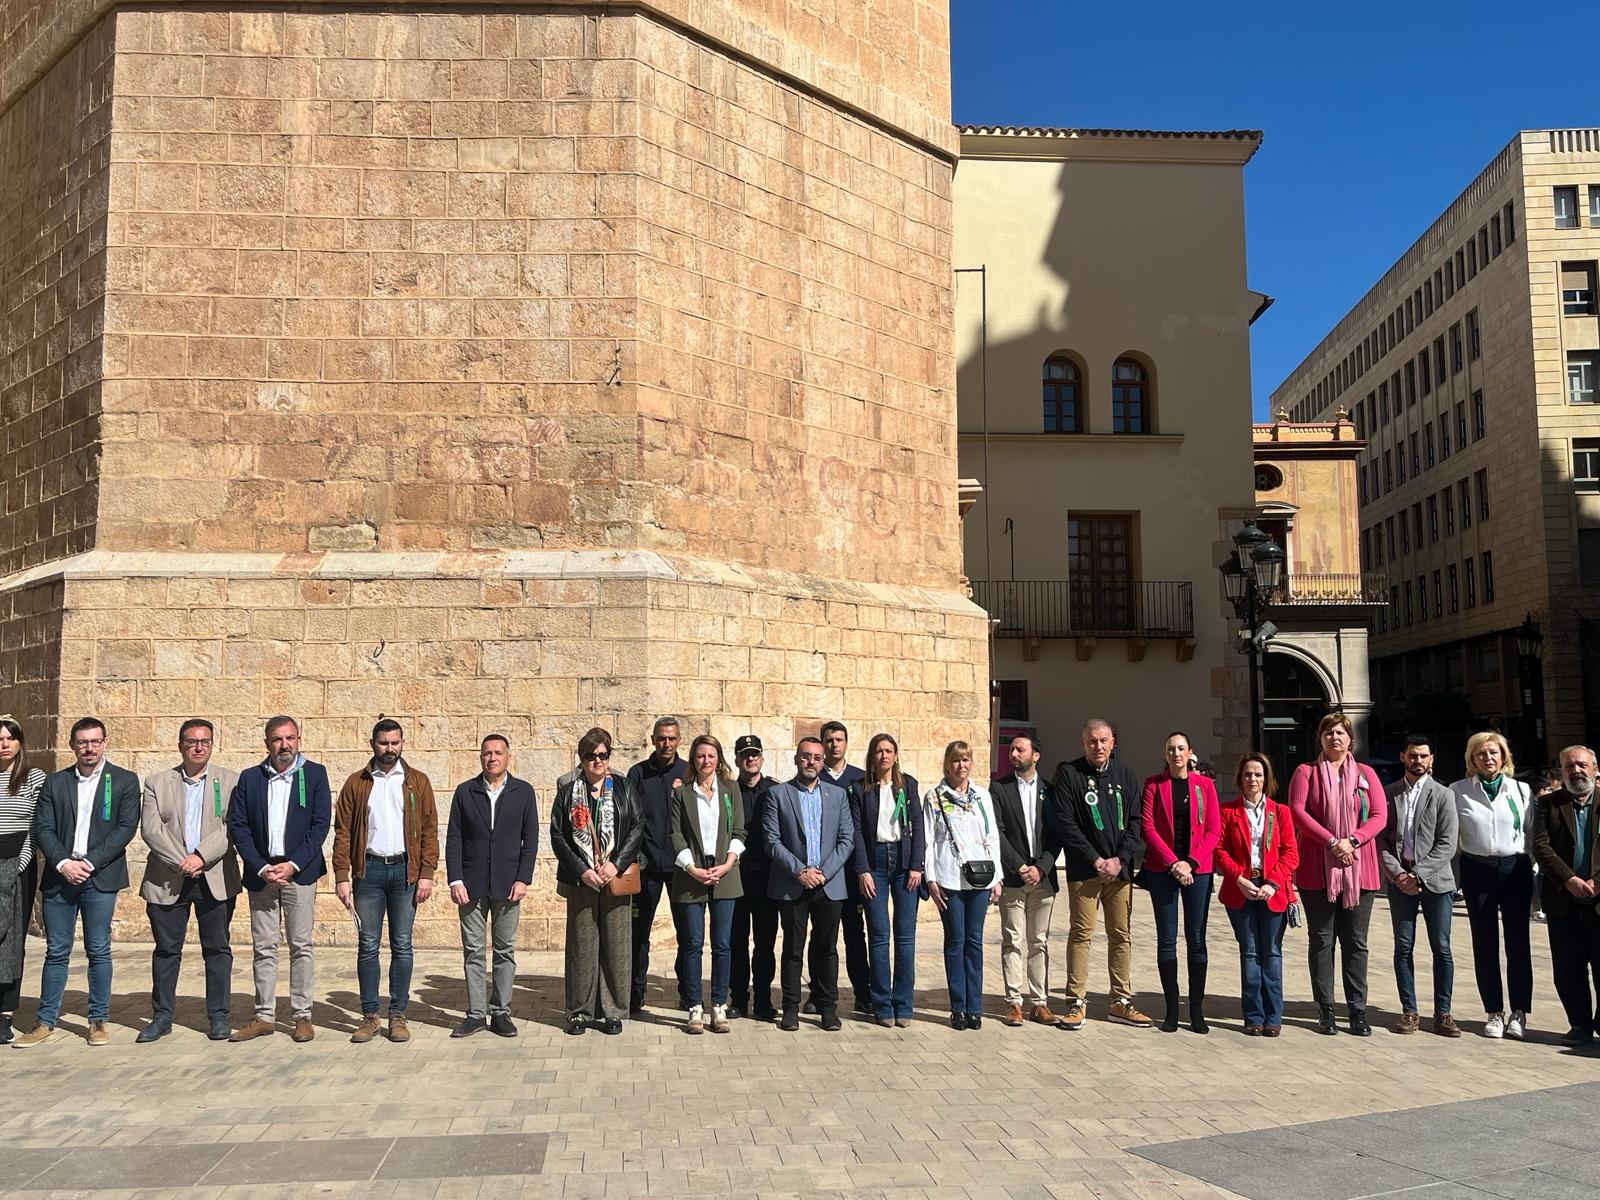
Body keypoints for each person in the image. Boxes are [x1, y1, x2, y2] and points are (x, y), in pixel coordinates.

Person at [13, 718, 139, 1048]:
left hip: (100, 877)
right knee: (56, 951)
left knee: (99, 949)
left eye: (95, 741)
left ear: (105, 743)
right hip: (61, 877)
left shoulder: (124, 780)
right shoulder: (56, 783)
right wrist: (65, 863)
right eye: (82, 742)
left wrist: (90, 863)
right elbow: (43, 828)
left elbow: (125, 829)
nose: (89, 748)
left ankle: (98, 1020)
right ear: (73, 745)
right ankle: (45, 1021)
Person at [332, 718, 440, 1044]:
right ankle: (369, 1016)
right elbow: (343, 832)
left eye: (395, 743)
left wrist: (427, 874)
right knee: (367, 945)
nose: (389, 749)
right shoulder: (357, 783)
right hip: (370, 873)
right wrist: (341, 876)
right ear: (372, 744)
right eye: (384, 743)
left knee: (402, 945)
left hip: (405, 873)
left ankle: (398, 1014)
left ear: (402, 743)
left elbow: (430, 830)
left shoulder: (417, 782)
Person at [228, 715, 333, 1043]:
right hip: (263, 875)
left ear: (298, 740)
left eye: (290, 738)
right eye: (277, 739)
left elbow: (320, 825)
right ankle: (264, 1015)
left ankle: (302, 1015)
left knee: (300, 944)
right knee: (264, 946)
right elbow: (239, 826)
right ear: (267, 743)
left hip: (299, 875)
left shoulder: (314, 775)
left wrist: (293, 865)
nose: (284, 745)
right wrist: (260, 866)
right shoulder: (249, 779)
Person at [136, 719, 241, 1043]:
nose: (199, 747)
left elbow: (232, 827)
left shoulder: (231, 781)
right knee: (167, 950)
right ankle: (162, 1015)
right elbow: (152, 829)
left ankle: (219, 1017)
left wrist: (200, 856)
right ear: (181, 745)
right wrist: (183, 860)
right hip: (168, 877)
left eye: (205, 741)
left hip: (214, 877)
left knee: (218, 949)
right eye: (192, 741)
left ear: (212, 745)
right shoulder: (157, 782)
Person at [1288, 711, 1388, 1037]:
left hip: (1360, 869)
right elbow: (1299, 813)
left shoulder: (1367, 774)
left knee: (1356, 942)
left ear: (1350, 739)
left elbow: (1378, 815)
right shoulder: (1306, 773)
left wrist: (1353, 840)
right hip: (1318, 867)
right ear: (1320, 738)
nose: (1335, 738)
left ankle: (1357, 1010)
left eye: (1341, 733)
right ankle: (1326, 1008)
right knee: (1321, 940)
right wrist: (1332, 842)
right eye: (1329, 732)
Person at [1052, 718, 1151, 1030]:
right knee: (1081, 935)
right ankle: (1076, 1002)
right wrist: (1096, 860)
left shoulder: (1126, 775)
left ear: (1113, 743)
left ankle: (1120, 1001)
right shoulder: (1069, 773)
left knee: (1120, 935)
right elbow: (1065, 822)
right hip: (1085, 871)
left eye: (1103, 740)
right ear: (1083, 744)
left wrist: (1120, 860)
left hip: (1119, 874)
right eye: (1092, 741)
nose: (1098, 746)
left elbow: (1136, 822)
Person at [550, 727, 642, 1036]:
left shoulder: (625, 788)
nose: (597, 761)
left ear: (609, 757)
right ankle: (579, 1011)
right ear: (582, 759)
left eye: (603, 755)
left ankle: (613, 1011)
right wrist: (581, 870)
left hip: (615, 877)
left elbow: (636, 829)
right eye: (591, 756)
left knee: (617, 945)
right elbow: (558, 836)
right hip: (583, 879)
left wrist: (615, 865)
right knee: (581, 945)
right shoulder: (567, 791)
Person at [446, 733, 539, 1038]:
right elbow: (454, 838)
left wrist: (523, 878)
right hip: (471, 885)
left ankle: (500, 1012)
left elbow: (531, 840)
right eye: (487, 753)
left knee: (504, 950)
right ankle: (475, 1013)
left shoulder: (523, 792)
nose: (492, 757)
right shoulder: (465, 792)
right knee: (473, 950)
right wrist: (455, 878)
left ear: (508, 757)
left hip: (508, 884)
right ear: (481, 757)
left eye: (498, 752)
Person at [764, 737, 854, 1032]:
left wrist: (824, 873)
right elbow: (772, 841)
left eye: (817, 757)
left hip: (829, 885)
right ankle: (790, 1008)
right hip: (793, 884)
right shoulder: (778, 794)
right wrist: (800, 871)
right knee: (792, 948)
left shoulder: (838, 795)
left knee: (826, 948)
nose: (811, 762)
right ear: (796, 759)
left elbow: (846, 839)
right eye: (806, 756)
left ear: (823, 761)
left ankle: (828, 1007)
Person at [1451, 730, 1534, 1040]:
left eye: (1493, 753)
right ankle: (1494, 1010)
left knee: (1518, 943)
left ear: (1504, 757)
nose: (1487, 758)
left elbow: (1529, 831)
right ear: (1472, 759)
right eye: (1481, 754)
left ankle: (1519, 1011)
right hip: (1477, 870)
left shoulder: (1521, 790)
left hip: (1514, 869)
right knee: (1484, 943)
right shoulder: (1458, 790)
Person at [1379, 734, 1460, 1037]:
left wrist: (1418, 875)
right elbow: (1381, 839)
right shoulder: (1389, 794)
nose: (1418, 761)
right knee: (1403, 947)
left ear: (1431, 760)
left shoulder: (1443, 794)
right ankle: (1409, 1011)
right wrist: (1399, 874)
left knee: (1442, 948)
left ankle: (1443, 1012)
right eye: (1413, 755)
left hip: (1436, 881)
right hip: (1400, 881)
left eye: (1424, 756)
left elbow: (1447, 844)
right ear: (1403, 757)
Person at [1141, 731, 1222, 1033]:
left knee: (1197, 939)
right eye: (1171, 749)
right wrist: (1173, 862)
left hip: (1197, 871)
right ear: (1165, 754)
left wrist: (1191, 862)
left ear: (1190, 753)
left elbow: (1214, 830)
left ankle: (1196, 1010)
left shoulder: (1205, 786)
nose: (1176, 754)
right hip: (1163, 870)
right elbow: (1148, 828)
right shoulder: (1153, 785)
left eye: (1181, 749)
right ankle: (1172, 1009)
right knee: (1167, 939)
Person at [1215, 753, 1298, 1036]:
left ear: (1267, 779)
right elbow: (1219, 850)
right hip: (1241, 887)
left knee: (1271, 953)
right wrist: (1237, 877)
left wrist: (1273, 883)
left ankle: (1274, 1016)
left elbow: (1290, 853)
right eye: (1248, 774)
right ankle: (1253, 1016)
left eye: (1259, 774)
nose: (1253, 779)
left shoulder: (1281, 812)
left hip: (1272, 888)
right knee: (1250, 952)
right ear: (1240, 778)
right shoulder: (1228, 812)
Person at [849, 732, 924, 1027]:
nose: (884, 755)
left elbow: (918, 826)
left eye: (889, 750)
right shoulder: (860, 789)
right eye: (879, 750)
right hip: (875, 864)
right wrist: (863, 870)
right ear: (872, 755)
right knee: (879, 936)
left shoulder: (908, 786)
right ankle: (882, 1005)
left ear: (895, 754)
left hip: (905, 865)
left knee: (905, 937)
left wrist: (917, 865)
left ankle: (904, 1004)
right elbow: (855, 831)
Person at [925, 741, 1002, 1030]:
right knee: (955, 942)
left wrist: (997, 879)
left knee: (975, 942)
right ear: (948, 764)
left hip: (980, 879)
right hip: (949, 879)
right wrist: (931, 878)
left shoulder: (982, 796)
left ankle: (975, 1007)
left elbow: (991, 837)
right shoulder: (934, 796)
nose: (961, 766)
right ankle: (958, 1007)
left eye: (966, 760)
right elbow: (929, 841)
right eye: (956, 760)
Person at [671, 734, 745, 1034]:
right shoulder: (681, 793)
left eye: (711, 756)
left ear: (719, 759)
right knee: (691, 944)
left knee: (723, 944)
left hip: (725, 873)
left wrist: (727, 863)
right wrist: (692, 868)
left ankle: (718, 1004)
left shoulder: (730, 789)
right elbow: (674, 834)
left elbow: (739, 830)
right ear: (694, 759)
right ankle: (693, 1007)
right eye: (701, 756)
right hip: (692, 874)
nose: (706, 761)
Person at [1530, 745, 1600, 1045]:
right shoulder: (1549, 804)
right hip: (1563, 899)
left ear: (1595, 768)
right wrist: (1568, 879)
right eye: (1569, 766)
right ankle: (1580, 1025)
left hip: (1599, 899)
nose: (1576, 771)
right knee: (1568, 968)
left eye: (1582, 765)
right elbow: (1541, 847)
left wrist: (1598, 881)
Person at [627, 716, 692, 1013]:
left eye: (672, 738)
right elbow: (629, 819)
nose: (667, 743)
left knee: (687, 934)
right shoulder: (638, 774)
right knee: (638, 934)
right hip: (647, 868)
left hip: (681, 868)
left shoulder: (687, 772)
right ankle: (634, 993)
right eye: (661, 738)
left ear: (679, 741)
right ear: (652, 740)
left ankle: (687, 992)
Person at [991, 733, 1056, 1027]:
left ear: (1036, 755)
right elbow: (998, 832)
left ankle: (1039, 1002)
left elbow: (1057, 835)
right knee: (1013, 940)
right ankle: (1013, 1002)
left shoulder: (1051, 792)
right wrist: (1019, 866)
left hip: (1043, 880)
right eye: (1012, 749)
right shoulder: (1000, 789)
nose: (1013, 753)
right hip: (1014, 878)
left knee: (1038, 941)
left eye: (1020, 749)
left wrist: (1040, 868)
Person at [0, 717, 45, 1045]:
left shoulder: (33, 778)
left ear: (20, 743)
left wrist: (19, 865)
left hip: (18, 859)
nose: (4, 744)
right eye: (0, 738)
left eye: (10, 738)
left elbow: (36, 825)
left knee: (11, 940)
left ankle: (5, 1013)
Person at [819, 720, 869, 1013]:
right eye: (829, 739)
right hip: (822, 872)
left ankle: (863, 993)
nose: (834, 744)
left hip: (851, 873)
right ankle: (819, 993)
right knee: (823, 937)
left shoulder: (860, 779)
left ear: (846, 743)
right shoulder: (813, 776)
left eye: (839, 739)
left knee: (854, 934)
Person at [729, 735, 778, 1020]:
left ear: (762, 758)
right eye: (745, 755)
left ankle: (763, 998)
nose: (750, 759)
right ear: (737, 760)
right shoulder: (727, 791)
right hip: (736, 877)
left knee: (765, 943)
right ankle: (738, 997)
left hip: (767, 879)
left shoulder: (775, 790)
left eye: (755, 754)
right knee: (737, 941)